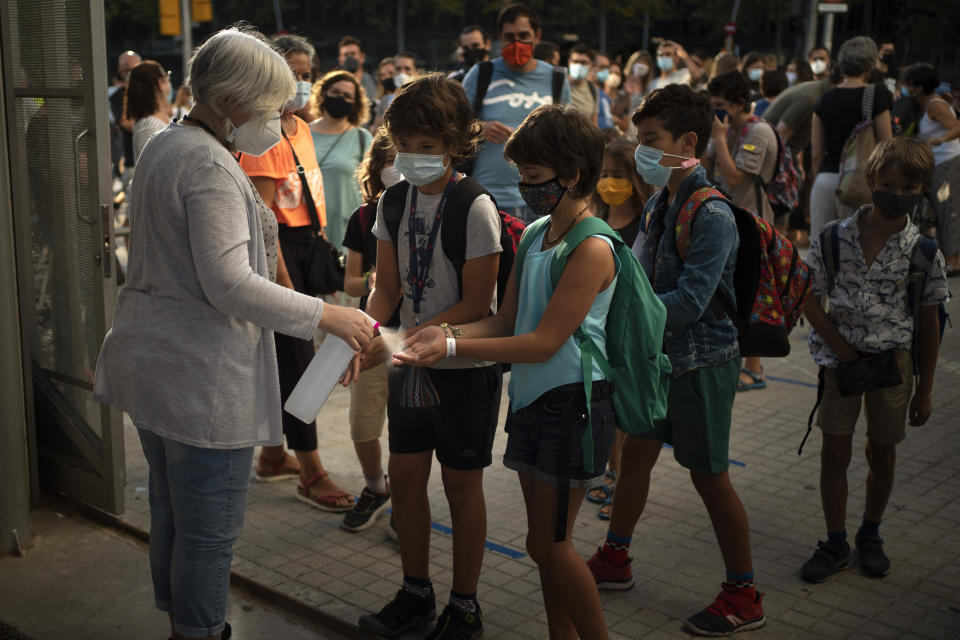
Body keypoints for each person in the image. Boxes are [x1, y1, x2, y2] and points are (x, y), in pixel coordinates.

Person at [92, 28, 374, 640]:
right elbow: (229, 285)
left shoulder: (164, 144)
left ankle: (179, 618)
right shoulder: (210, 166)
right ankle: (200, 629)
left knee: (173, 512)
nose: (281, 120)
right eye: (273, 108)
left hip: (155, 367)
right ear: (234, 102)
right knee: (209, 528)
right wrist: (329, 315)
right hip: (197, 381)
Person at [395, 103, 614, 640]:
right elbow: (505, 319)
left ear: (574, 176)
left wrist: (448, 348)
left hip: (574, 406)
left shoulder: (591, 247)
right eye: (520, 176)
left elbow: (541, 344)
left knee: (549, 545)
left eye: (535, 178)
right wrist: (444, 335)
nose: (525, 188)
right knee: (545, 545)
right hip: (533, 405)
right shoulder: (539, 232)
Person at [587, 84, 766, 637]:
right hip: (661, 361)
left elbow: (689, 302)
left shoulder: (711, 213)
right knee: (635, 457)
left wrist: (622, 317)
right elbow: (639, 277)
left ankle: (744, 593)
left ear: (688, 142)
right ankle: (615, 559)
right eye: (639, 140)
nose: (641, 151)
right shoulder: (664, 200)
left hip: (702, 365)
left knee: (710, 476)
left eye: (650, 141)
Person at [357, 73, 503, 640]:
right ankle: (415, 591)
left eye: (428, 147)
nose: (416, 158)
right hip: (409, 363)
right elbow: (385, 289)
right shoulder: (392, 202)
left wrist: (427, 335)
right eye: (406, 145)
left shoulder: (475, 206)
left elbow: (475, 301)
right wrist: (369, 329)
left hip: (464, 368)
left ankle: (465, 604)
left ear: (454, 144)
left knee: (463, 487)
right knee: (406, 476)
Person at [799, 137, 949, 583]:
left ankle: (870, 532)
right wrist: (842, 351)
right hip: (840, 365)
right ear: (870, 181)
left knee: (882, 454)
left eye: (908, 186)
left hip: (893, 368)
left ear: (921, 189)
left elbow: (929, 326)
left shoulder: (924, 253)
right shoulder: (832, 238)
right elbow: (809, 300)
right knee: (834, 453)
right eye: (888, 183)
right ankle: (835, 541)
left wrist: (924, 390)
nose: (896, 193)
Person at [239, 34, 356, 512]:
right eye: (294, 72)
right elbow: (265, 222)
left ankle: (272, 455)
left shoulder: (300, 127)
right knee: (297, 362)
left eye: (308, 73)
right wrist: (285, 283)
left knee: (293, 357)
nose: (303, 83)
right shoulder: (262, 133)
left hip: (309, 249)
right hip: (282, 253)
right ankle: (311, 471)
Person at [585, 137, 654, 519]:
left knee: (625, 410)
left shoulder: (646, 224)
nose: (610, 182)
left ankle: (624, 482)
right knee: (607, 408)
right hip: (599, 330)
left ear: (636, 179)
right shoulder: (596, 219)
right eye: (605, 175)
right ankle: (613, 472)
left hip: (629, 330)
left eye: (619, 175)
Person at [339, 130, 402, 533]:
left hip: (414, 335)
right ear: (376, 169)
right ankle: (376, 487)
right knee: (363, 422)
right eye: (391, 160)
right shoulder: (364, 217)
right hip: (372, 331)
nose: (399, 168)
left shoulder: (435, 213)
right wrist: (374, 281)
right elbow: (350, 283)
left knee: (407, 427)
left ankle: (406, 498)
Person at [461, 3, 571, 223]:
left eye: (524, 35)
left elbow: (568, 138)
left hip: (541, 196)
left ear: (537, 36)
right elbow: (451, 124)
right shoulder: (481, 74)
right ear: (500, 38)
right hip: (487, 195)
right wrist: (479, 128)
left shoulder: (556, 78)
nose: (517, 43)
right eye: (509, 37)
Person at [705, 71, 779, 394]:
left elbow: (735, 178)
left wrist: (719, 138)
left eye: (720, 106)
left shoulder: (758, 132)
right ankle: (736, 360)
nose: (716, 112)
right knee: (731, 295)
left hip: (754, 224)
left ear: (738, 104)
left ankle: (755, 368)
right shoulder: (726, 128)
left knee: (753, 295)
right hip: (727, 219)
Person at [810, 36, 892, 239]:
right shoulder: (876, 95)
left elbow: (816, 154)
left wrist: (817, 180)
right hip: (860, 182)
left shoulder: (824, 99)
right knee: (858, 250)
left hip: (825, 181)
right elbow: (887, 147)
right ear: (870, 65)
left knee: (822, 251)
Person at [903, 63, 960, 276]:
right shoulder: (924, 105)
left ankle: (954, 259)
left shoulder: (936, 105)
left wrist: (940, 139)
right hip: (934, 162)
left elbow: (956, 127)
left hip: (947, 162)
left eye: (908, 83)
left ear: (918, 87)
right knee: (938, 208)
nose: (904, 87)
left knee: (948, 209)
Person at [309, 70, 373, 253]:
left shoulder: (362, 138)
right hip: (305, 232)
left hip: (345, 234)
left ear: (356, 103)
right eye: (335, 92)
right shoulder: (301, 133)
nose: (340, 98)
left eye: (347, 96)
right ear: (323, 94)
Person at [124, 60, 172, 165]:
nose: (169, 80)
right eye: (166, 76)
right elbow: (151, 170)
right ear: (160, 83)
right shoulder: (149, 127)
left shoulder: (151, 122)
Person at [109, 50, 141, 189]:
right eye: (127, 70)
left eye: (135, 69)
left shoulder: (151, 91)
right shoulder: (117, 96)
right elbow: (127, 124)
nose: (131, 74)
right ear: (121, 72)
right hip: (132, 162)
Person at [338, 36, 379, 114]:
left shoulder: (376, 82)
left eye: (353, 54)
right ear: (339, 59)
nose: (349, 58)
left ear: (362, 57)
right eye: (345, 55)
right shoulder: (332, 86)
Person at [568, 43, 599, 124]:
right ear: (569, 62)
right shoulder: (559, 85)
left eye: (583, 62)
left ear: (591, 65)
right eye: (575, 61)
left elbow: (594, 123)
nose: (578, 65)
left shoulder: (593, 89)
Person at [594, 52, 617, 130]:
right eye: (601, 66)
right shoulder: (588, 90)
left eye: (607, 67)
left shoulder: (602, 91)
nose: (605, 71)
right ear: (591, 66)